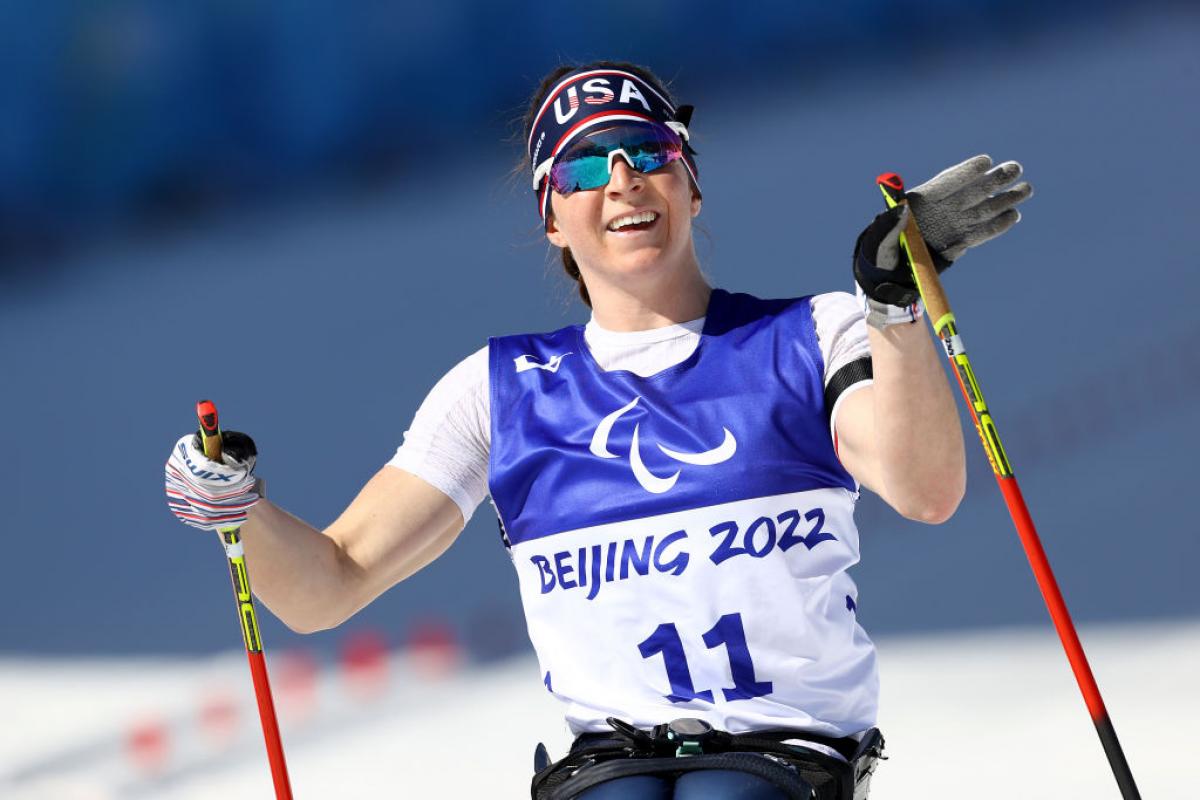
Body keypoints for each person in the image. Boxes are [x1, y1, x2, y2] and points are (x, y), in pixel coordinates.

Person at [164, 61, 1031, 799]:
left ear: (691, 183)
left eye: (648, 153)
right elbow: (330, 585)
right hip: (610, 765)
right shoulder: (497, 391)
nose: (621, 181)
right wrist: (238, 509)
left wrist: (894, 302)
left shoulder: (812, 334)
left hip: (787, 754)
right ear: (552, 216)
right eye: (584, 168)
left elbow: (925, 489)